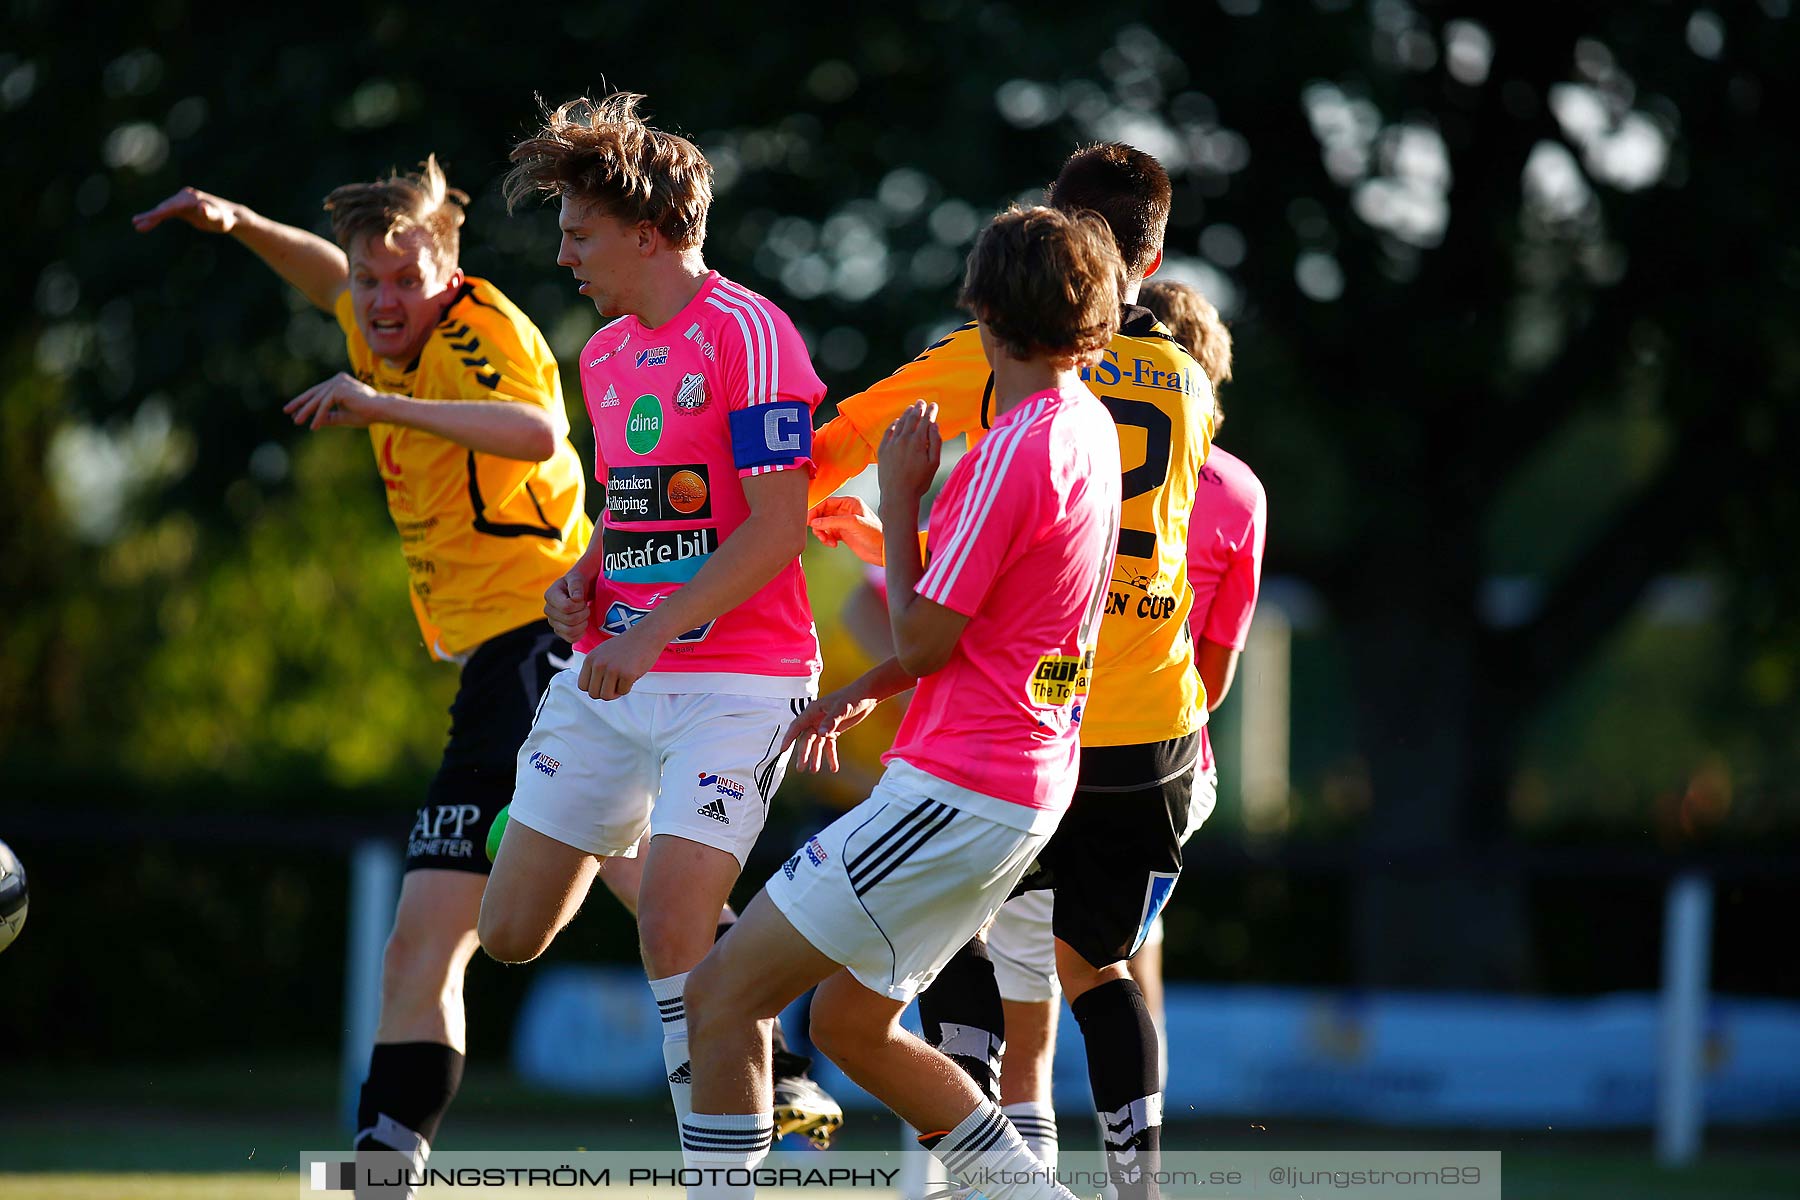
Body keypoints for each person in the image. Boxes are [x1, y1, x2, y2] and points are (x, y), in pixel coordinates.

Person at [133, 159, 591, 1189]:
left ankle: (769, 1052)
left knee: (470, 922)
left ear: (450, 268)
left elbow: (541, 433)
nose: (381, 299)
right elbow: (325, 282)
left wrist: (383, 410)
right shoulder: (375, 317)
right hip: (503, 657)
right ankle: (385, 1166)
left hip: (540, 635)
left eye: (404, 277)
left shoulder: (481, 328)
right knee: (441, 936)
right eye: (370, 277)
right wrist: (240, 215)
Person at [680, 203, 1123, 1200]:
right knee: (845, 1026)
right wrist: (855, 689)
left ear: (979, 308)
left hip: (958, 790)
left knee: (719, 995)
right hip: (1021, 786)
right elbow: (981, 625)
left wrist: (904, 493)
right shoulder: (1085, 429)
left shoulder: (1014, 447)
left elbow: (923, 635)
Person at [803, 143, 1214, 1200]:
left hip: (1029, 726)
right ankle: (1136, 1188)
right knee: (1101, 969)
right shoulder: (1184, 380)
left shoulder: (1001, 369)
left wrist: (846, 519)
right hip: (1158, 726)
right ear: (1153, 254)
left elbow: (834, 443)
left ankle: (989, 1178)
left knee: (964, 950)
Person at [473, 92, 830, 1145]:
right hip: (612, 675)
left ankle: (729, 1162)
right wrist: (584, 579)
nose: (566, 257)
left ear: (648, 232)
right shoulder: (604, 355)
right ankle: (750, 946)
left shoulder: (753, 334)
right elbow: (640, 505)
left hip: (738, 684)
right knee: (507, 935)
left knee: (674, 934)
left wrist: (648, 631)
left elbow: (775, 532)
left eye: (579, 235)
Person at [976, 277, 1267, 1174]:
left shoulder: (1050, 439)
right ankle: (1136, 1179)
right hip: (1166, 759)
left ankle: (1010, 1186)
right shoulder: (1238, 491)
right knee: (1121, 978)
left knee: (1020, 1002)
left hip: (1041, 736)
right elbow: (1213, 678)